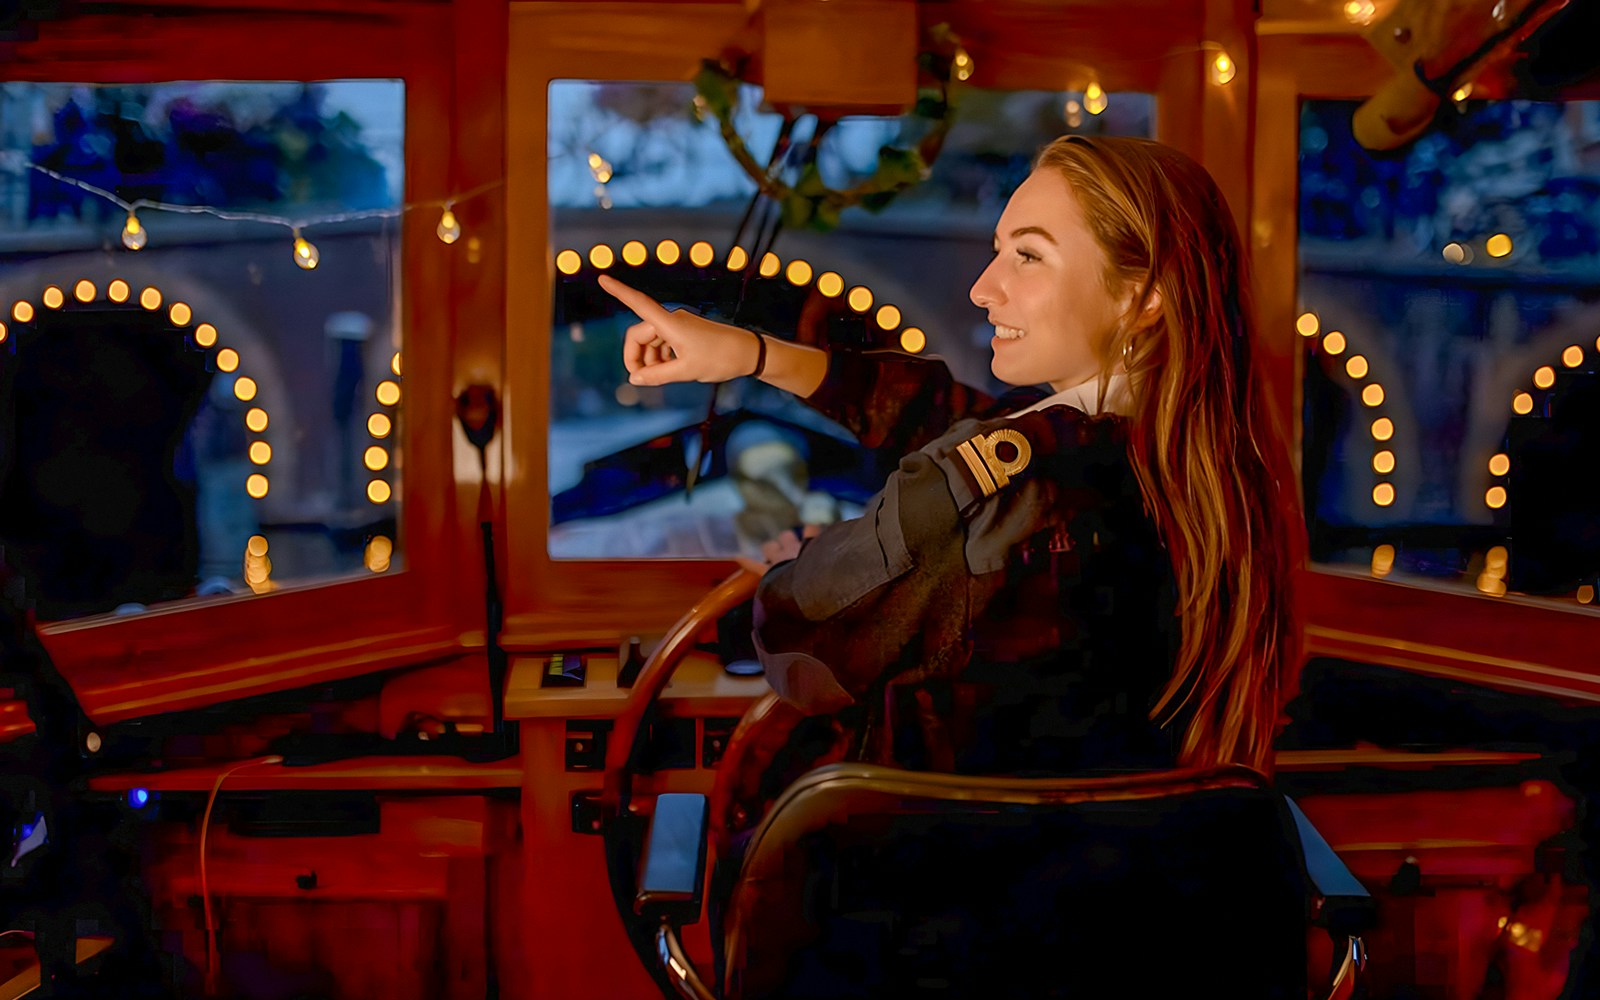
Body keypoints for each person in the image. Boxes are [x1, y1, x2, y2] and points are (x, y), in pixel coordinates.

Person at [599, 134, 1298, 778]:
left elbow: (801, 649)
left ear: (1142, 296)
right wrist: (754, 353)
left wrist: (799, 565)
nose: (983, 287)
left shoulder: (1000, 481)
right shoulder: (1214, 467)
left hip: (942, 896)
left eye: (1027, 255)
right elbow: (963, 422)